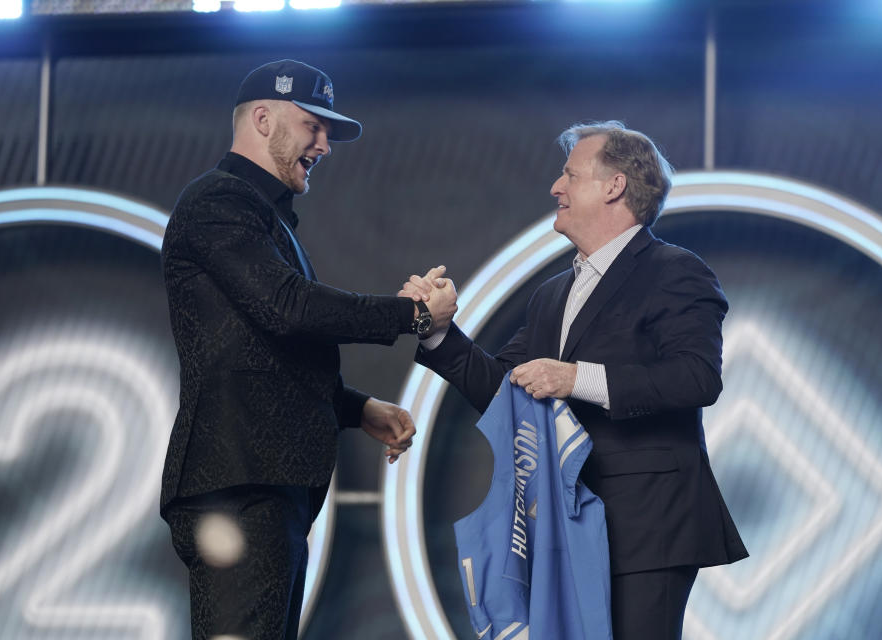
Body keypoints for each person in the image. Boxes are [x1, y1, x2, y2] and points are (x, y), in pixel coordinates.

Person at [401, 121, 748, 640]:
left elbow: (696, 378)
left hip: (647, 528)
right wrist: (437, 331)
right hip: (559, 528)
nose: (554, 188)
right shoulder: (552, 293)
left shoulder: (676, 271)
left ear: (615, 186)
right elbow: (503, 391)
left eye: (569, 174)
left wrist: (575, 378)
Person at [159, 59, 454, 640]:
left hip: (265, 488)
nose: (324, 144)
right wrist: (414, 314)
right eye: (312, 126)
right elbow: (290, 309)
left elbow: (262, 350)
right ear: (263, 119)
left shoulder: (265, 217)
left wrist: (356, 408)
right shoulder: (218, 201)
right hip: (241, 486)